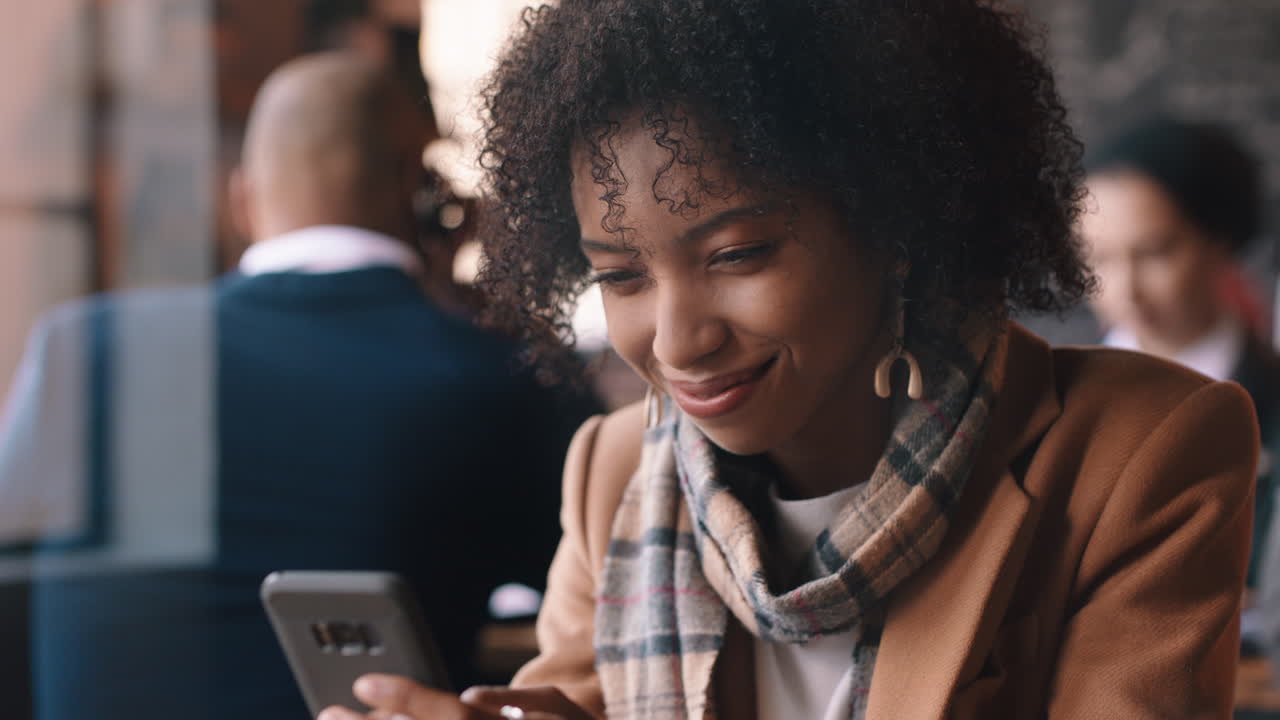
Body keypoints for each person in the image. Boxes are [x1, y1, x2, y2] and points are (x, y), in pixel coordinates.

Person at [322, 2, 1258, 719]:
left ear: (894, 220)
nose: (678, 341)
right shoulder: (613, 475)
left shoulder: (1141, 455)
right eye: (621, 275)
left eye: (736, 256)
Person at [3, 52, 596, 719]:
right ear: (425, 192)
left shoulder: (80, 347)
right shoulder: (503, 375)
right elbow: (607, 603)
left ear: (240, 199)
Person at [1079, 118, 1278, 596]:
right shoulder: (1055, 394)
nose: (1124, 289)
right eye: (1098, 258)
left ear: (1219, 240)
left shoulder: (1270, 401)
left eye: (1153, 253)